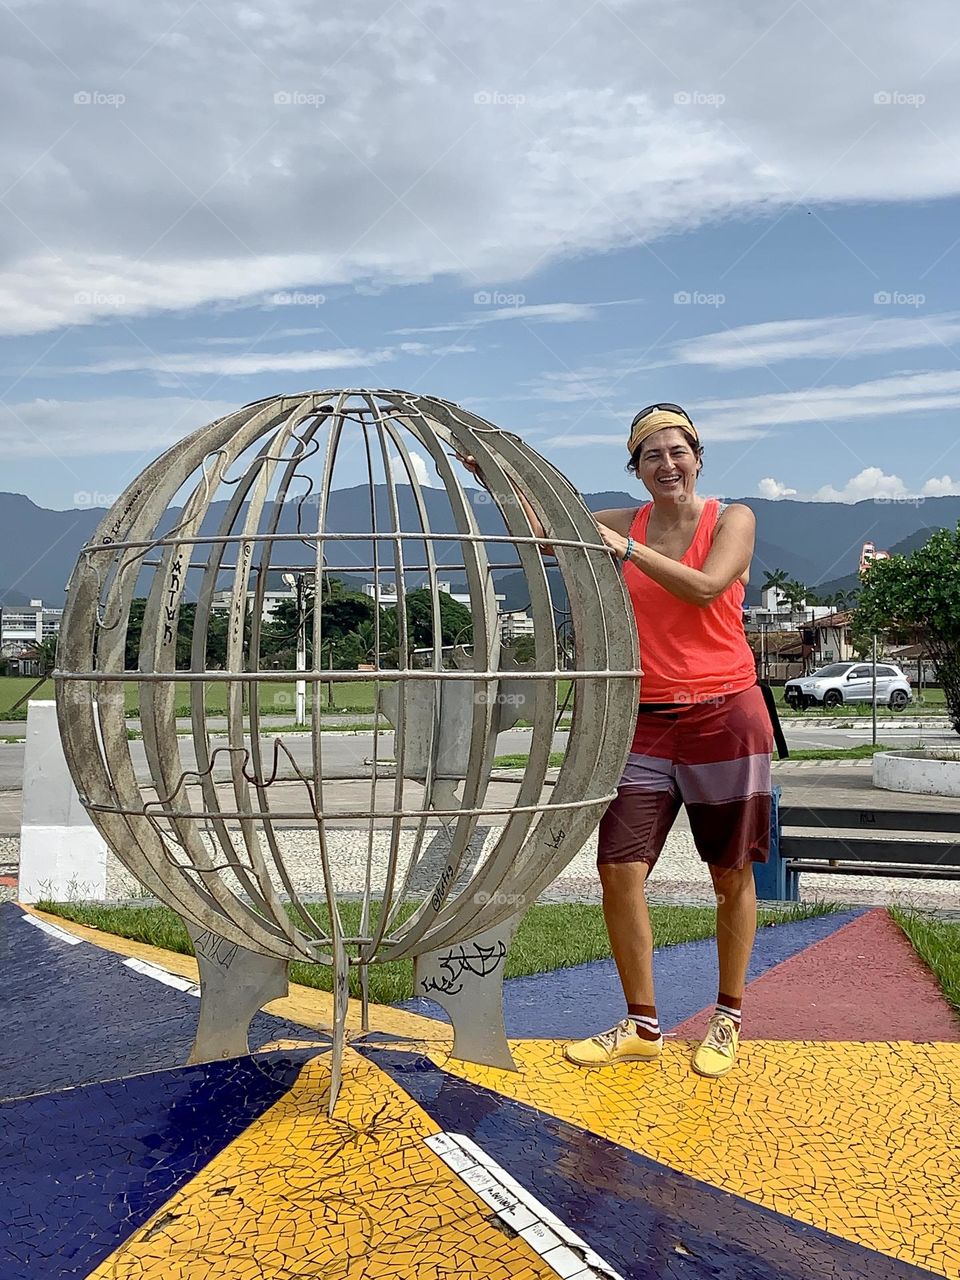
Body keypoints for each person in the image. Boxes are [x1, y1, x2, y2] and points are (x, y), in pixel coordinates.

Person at [459, 403, 773, 1078]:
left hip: (726, 713)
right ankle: (643, 1023)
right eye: (652, 455)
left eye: (677, 450)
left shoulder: (732, 518)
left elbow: (707, 587)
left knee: (731, 873)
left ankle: (728, 1015)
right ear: (636, 468)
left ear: (697, 456)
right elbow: (547, 534)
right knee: (619, 870)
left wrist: (629, 550)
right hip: (647, 720)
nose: (667, 464)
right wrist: (495, 474)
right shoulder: (617, 523)